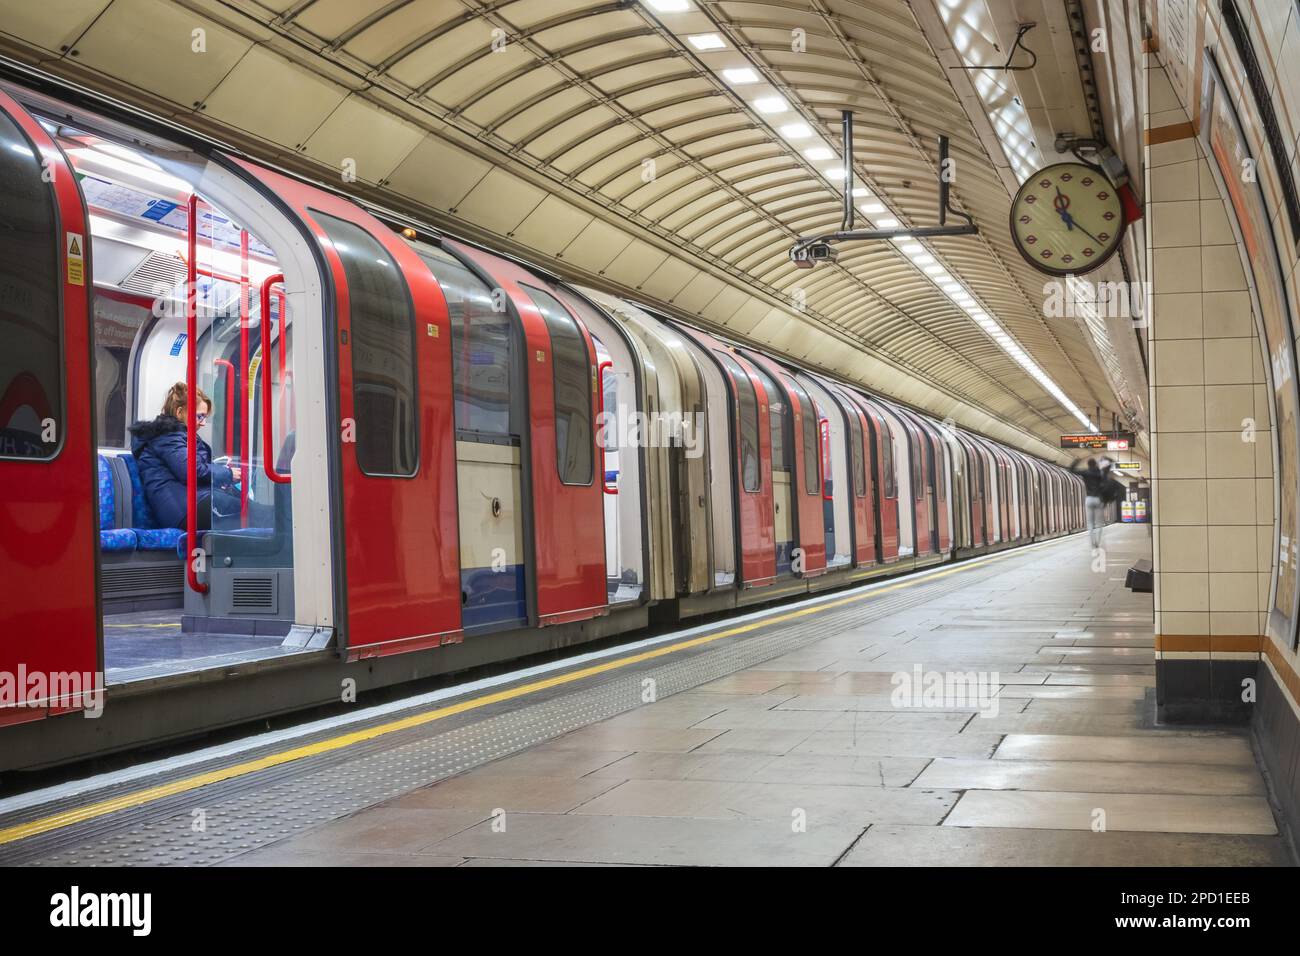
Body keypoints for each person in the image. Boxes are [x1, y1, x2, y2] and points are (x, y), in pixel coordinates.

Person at [129, 382, 244, 531]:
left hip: (190, 501)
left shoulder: (179, 436)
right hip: (180, 510)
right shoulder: (167, 436)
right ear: (179, 412)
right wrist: (227, 474)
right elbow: (189, 471)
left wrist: (218, 472)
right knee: (250, 512)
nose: (203, 423)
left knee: (249, 508)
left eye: (205, 418)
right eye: (199, 417)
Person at [1069, 456, 1111, 550]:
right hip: (1098, 499)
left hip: (1089, 499)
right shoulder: (1100, 473)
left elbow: (1071, 470)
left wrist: (1077, 460)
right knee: (1099, 523)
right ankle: (1097, 542)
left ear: (1088, 465)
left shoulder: (1086, 473)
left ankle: (1092, 543)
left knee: (1090, 523)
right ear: (1095, 464)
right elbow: (1106, 483)